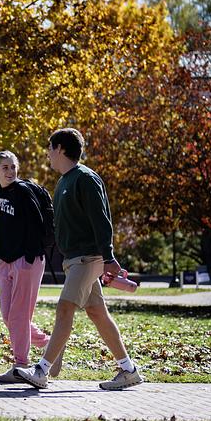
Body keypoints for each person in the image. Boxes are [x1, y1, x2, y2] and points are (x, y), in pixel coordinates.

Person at [15, 128, 142, 391]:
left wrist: (108, 257)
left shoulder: (84, 178)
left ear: (60, 148)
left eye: (50, 148)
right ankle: (128, 370)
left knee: (64, 308)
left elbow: (101, 219)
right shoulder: (63, 181)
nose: (48, 154)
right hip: (74, 259)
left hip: (88, 257)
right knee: (97, 313)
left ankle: (41, 370)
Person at [0, 150, 53, 383]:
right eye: (4, 167)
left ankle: (20, 365)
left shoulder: (24, 192)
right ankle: (51, 343)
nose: (10, 172)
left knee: (18, 315)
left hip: (27, 260)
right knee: (9, 316)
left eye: (13, 167)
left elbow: (38, 226)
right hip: (5, 262)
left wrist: (28, 255)